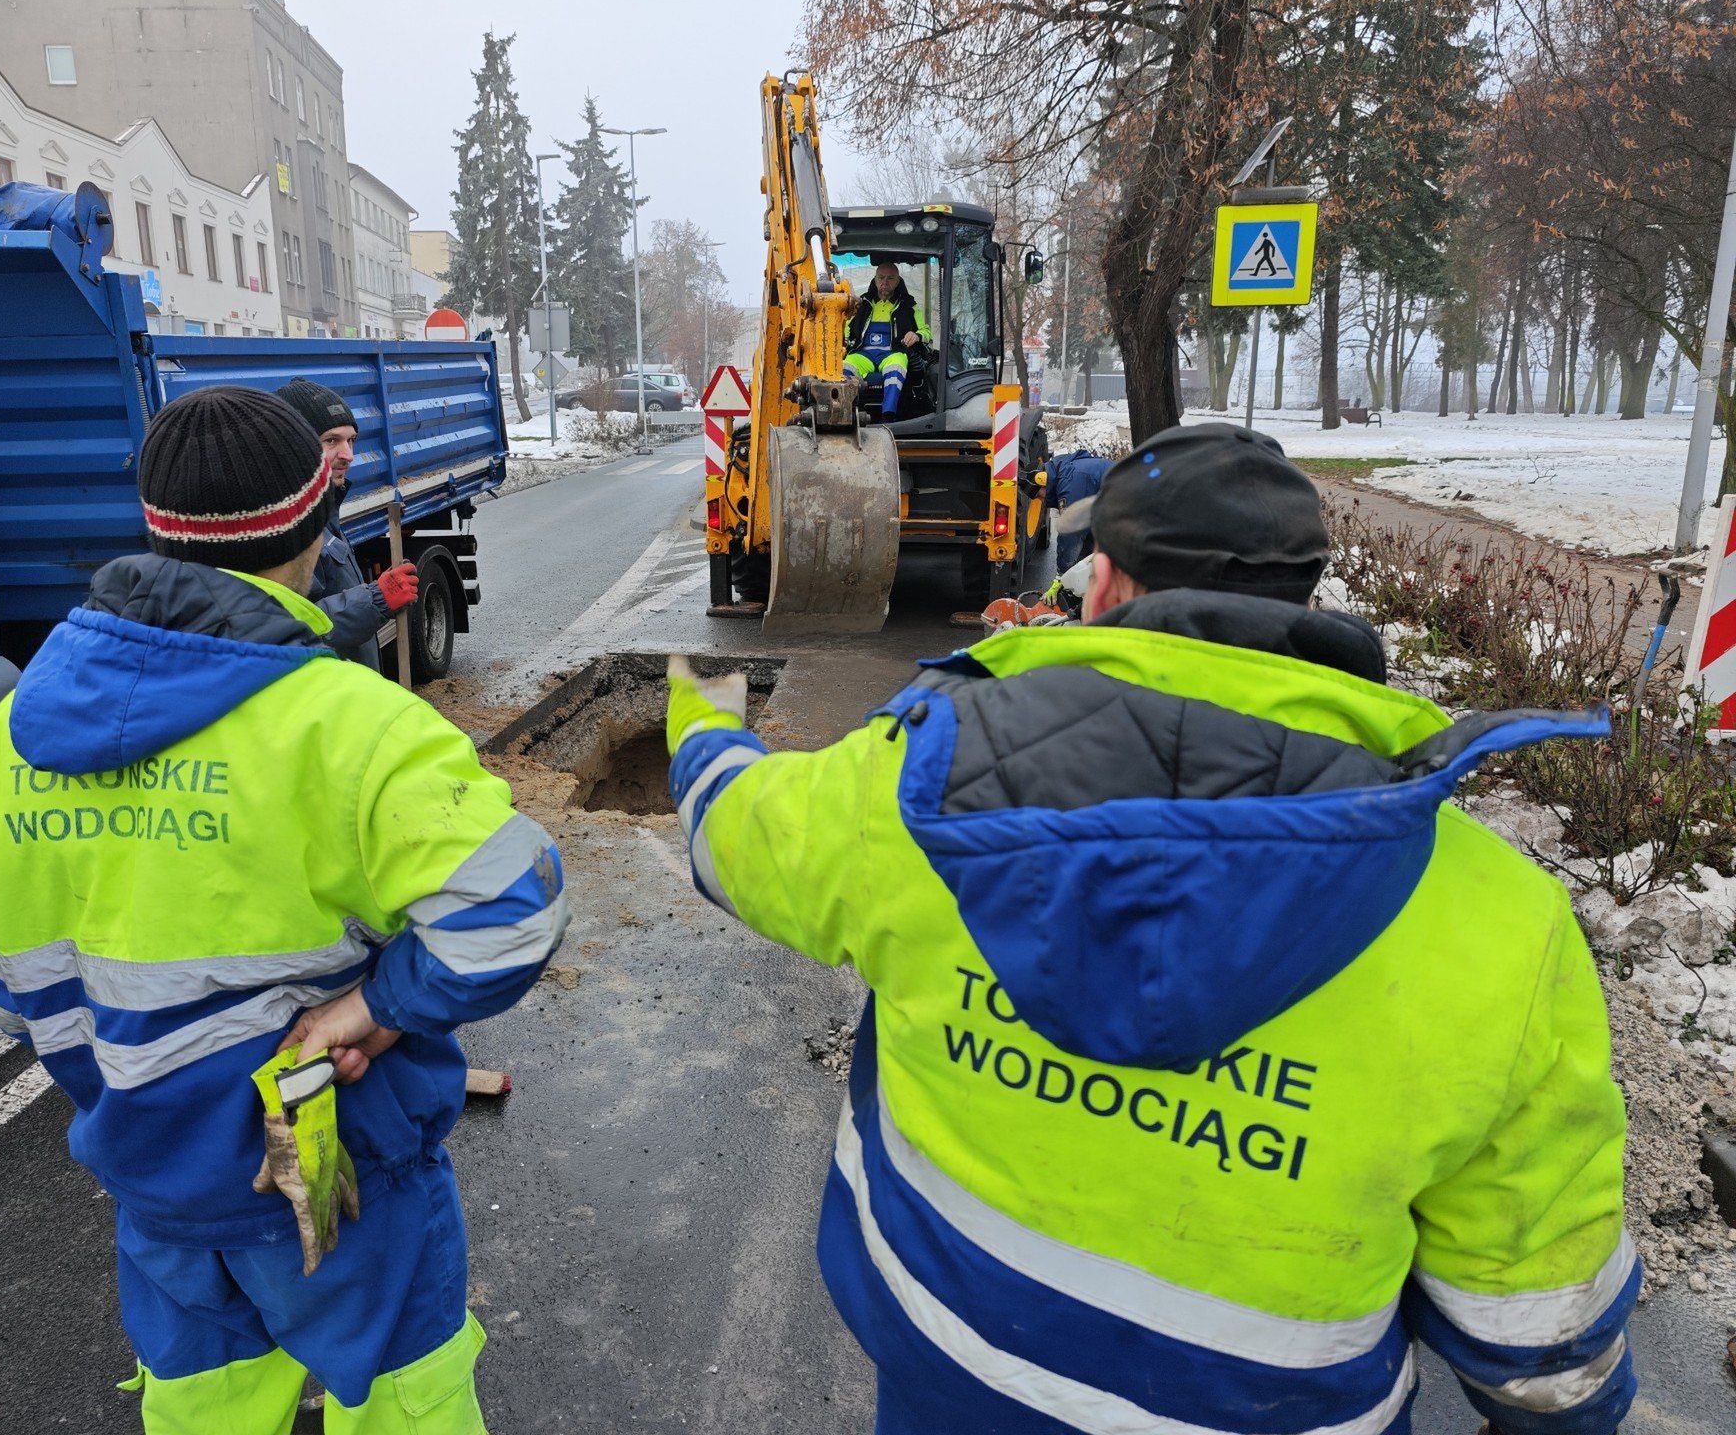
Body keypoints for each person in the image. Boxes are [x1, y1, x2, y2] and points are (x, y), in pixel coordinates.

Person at [663, 421, 1637, 1435]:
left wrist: (702, 726)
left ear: (1109, 582)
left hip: (954, 1382)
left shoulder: (917, 787)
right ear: (1303, 597)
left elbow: (740, 842)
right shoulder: (1498, 917)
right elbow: (1538, 1328)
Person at [0, 385, 567, 1433]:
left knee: (206, 1412)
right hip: (329, 1173)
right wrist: (375, 1008)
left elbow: (14, 999)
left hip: (156, 1190)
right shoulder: (350, 723)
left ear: (154, 525)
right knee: (403, 1403)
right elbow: (511, 910)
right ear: (318, 516)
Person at [276, 376, 416, 671]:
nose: (349, 455)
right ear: (293, 447)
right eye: (331, 441)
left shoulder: (322, 514)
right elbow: (293, 629)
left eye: (351, 440)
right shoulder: (287, 530)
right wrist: (376, 599)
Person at [843, 260, 933, 419]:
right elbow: (845, 329)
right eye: (881, 278)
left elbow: (926, 332)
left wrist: (917, 335)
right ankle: (845, 413)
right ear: (875, 279)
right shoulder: (861, 303)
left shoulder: (908, 305)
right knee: (845, 367)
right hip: (863, 354)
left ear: (898, 281)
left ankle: (889, 414)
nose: (884, 282)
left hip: (893, 352)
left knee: (897, 366)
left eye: (890, 278)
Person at [1042, 446, 1114, 574]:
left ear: (1043, 483)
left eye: (1039, 495)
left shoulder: (1071, 480)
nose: (1041, 499)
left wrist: (1063, 574)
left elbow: (1070, 533)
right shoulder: (1066, 470)